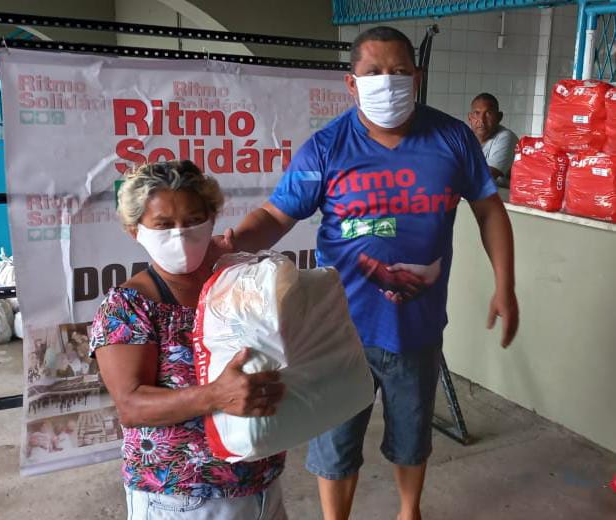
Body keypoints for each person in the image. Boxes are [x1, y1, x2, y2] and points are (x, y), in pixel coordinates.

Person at [216, 26, 519, 520]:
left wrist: (504, 285)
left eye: (400, 71)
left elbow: (489, 209)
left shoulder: (452, 138)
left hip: (416, 330)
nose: (389, 81)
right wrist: (232, 242)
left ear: (416, 78)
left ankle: (408, 512)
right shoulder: (327, 148)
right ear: (351, 83)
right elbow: (275, 216)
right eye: (374, 72)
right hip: (338, 332)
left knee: (412, 435)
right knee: (335, 443)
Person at [90, 160, 288, 519]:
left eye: (194, 220)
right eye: (163, 225)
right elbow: (131, 406)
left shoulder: (236, 283)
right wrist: (215, 396)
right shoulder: (129, 306)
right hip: (181, 496)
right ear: (136, 230)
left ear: (213, 218)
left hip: (262, 482)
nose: (180, 235)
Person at [468, 93, 519, 188]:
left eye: (488, 114)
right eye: (477, 113)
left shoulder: (506, 137)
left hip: (506, 198)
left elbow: (485, 177)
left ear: (499, 117)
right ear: (470, 118)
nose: (482, 120)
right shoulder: (463, 135)